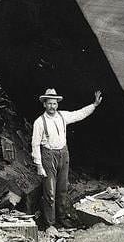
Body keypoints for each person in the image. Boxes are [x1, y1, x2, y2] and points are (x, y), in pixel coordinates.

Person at [31, 88, 103, 230]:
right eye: (49, 103)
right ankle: (50, 224)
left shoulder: (63, 116)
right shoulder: (39, 122)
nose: (52, 106)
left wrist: (94, 105)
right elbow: (34, 144)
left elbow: (79, 114)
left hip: (63, 154)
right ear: (44, 104)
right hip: (48, 156)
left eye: (55, 103)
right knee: (50, 192)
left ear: (57, 104)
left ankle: (62, 218)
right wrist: (39, 165)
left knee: (62, 189)